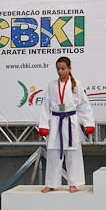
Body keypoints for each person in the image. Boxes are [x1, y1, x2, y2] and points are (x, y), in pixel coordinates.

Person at [38, 57, 95, 193]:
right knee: (53, 152)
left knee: (73, 153)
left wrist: (88, 123)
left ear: (69, 69)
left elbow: (84, 105)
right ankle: (51, 183)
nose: (60, 71)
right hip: (56, 121)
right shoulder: (52, 85)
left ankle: (74, 183)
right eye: (58, 69)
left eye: (63, 68)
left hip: (71, 121)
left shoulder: (76, 85)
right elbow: (45, 106)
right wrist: (44, 125)